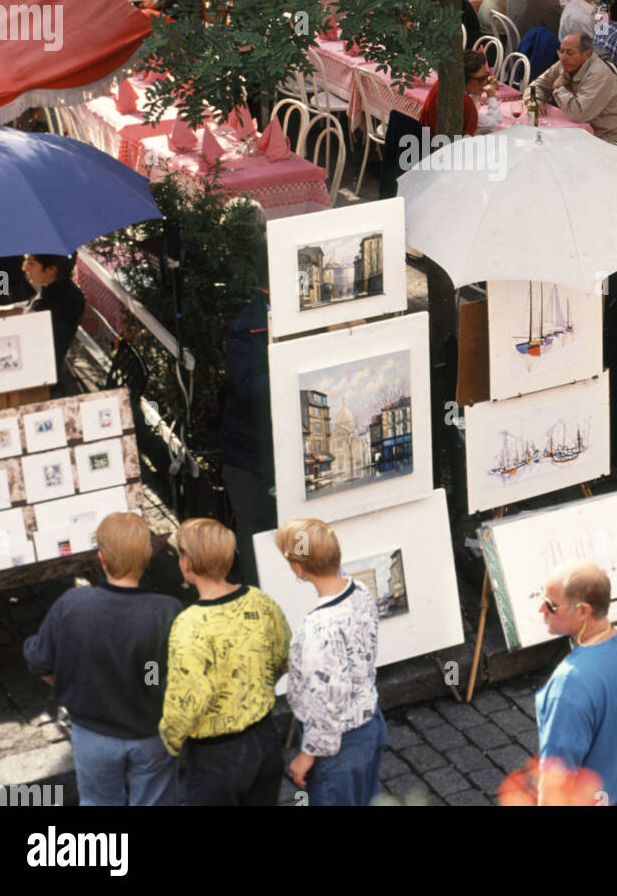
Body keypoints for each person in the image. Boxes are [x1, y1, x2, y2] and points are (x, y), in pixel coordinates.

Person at [23, 513, 180, 806]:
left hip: (92, 734)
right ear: (148, 555)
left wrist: (69, 681)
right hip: (151, 733)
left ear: (101, 558)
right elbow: (159, 675)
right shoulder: (166, 611)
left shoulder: (73, 604)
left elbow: (41, 662)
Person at [159, 518, 290, 805]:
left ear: (186, 564)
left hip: (216, 758)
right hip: (265, 740)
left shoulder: (189, 624)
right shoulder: (259, 600)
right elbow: (283, 654)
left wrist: (169, 739)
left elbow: (190, 696)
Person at [535, 560, 617, 807]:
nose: (541, 609)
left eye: (551, 605)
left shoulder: (568, 685)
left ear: (583, 611)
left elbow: (556, 781)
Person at [276, 517, 385, 807]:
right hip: (370, 721)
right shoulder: (359, 590)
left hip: (338, 746)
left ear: (299, 570)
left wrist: (307, 754)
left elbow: (326, 699)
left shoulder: (318, 629)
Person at [219, 237, 275, 586]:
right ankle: (261, 596)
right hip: (249, 456)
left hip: (276, 450)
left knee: (289, 530)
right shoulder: (248, 326)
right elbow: (253, 387)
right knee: (257, 533)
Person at [525, 32, 617, 143]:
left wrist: (559, 88)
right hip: (575, 129)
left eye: (570, 53)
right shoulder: (565, 63)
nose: (563, 57)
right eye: (561, 51)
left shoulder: (599, 74)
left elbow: (579, 114)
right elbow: (536, 85)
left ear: (587, 54)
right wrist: (536, 98)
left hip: (604, 139)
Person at [22, 252, 86, 379]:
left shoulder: (52, 304)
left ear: (51, 269)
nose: (24, 268)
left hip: (37, 375)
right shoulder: (62, 289)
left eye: (31, 263)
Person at [419, 48, 490, 138]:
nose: (484, 82)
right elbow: (467, 141)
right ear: (465, 78)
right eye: (480, 79)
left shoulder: (440, 84)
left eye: (486, 76)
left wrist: (477, 94)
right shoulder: (465, 102)